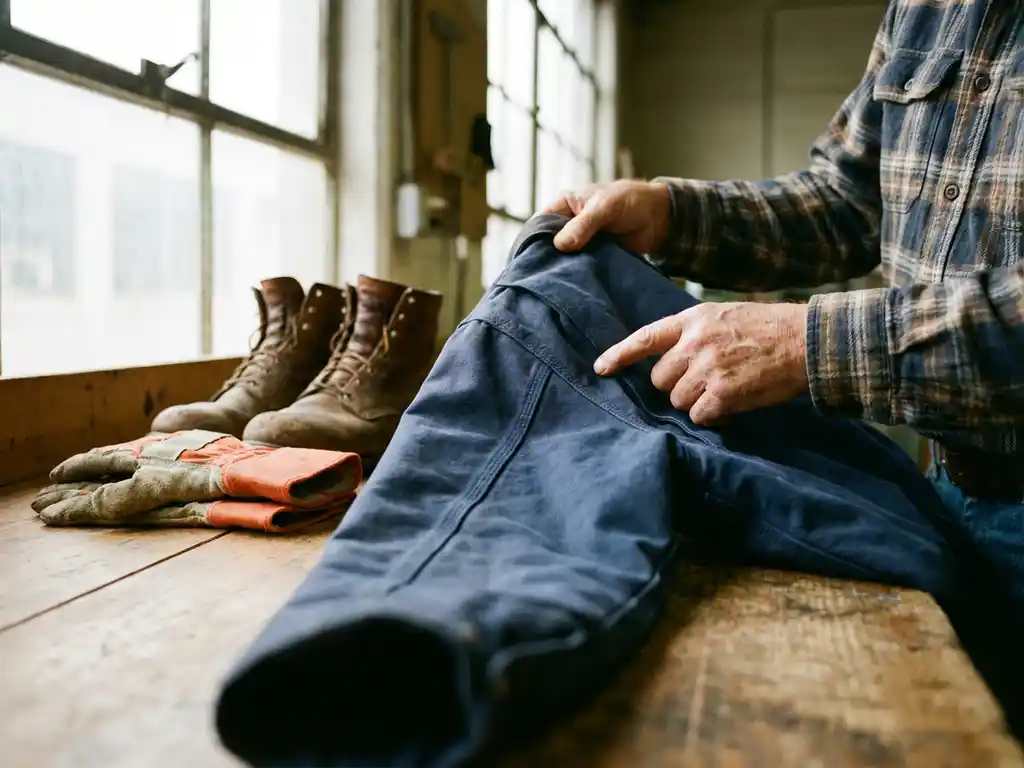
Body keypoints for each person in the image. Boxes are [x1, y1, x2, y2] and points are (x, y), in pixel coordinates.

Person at [547, 1, 1024, 603]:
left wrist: (806, 342)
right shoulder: (930, 10)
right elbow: (847, 200)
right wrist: (671, 215)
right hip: (947, 489)